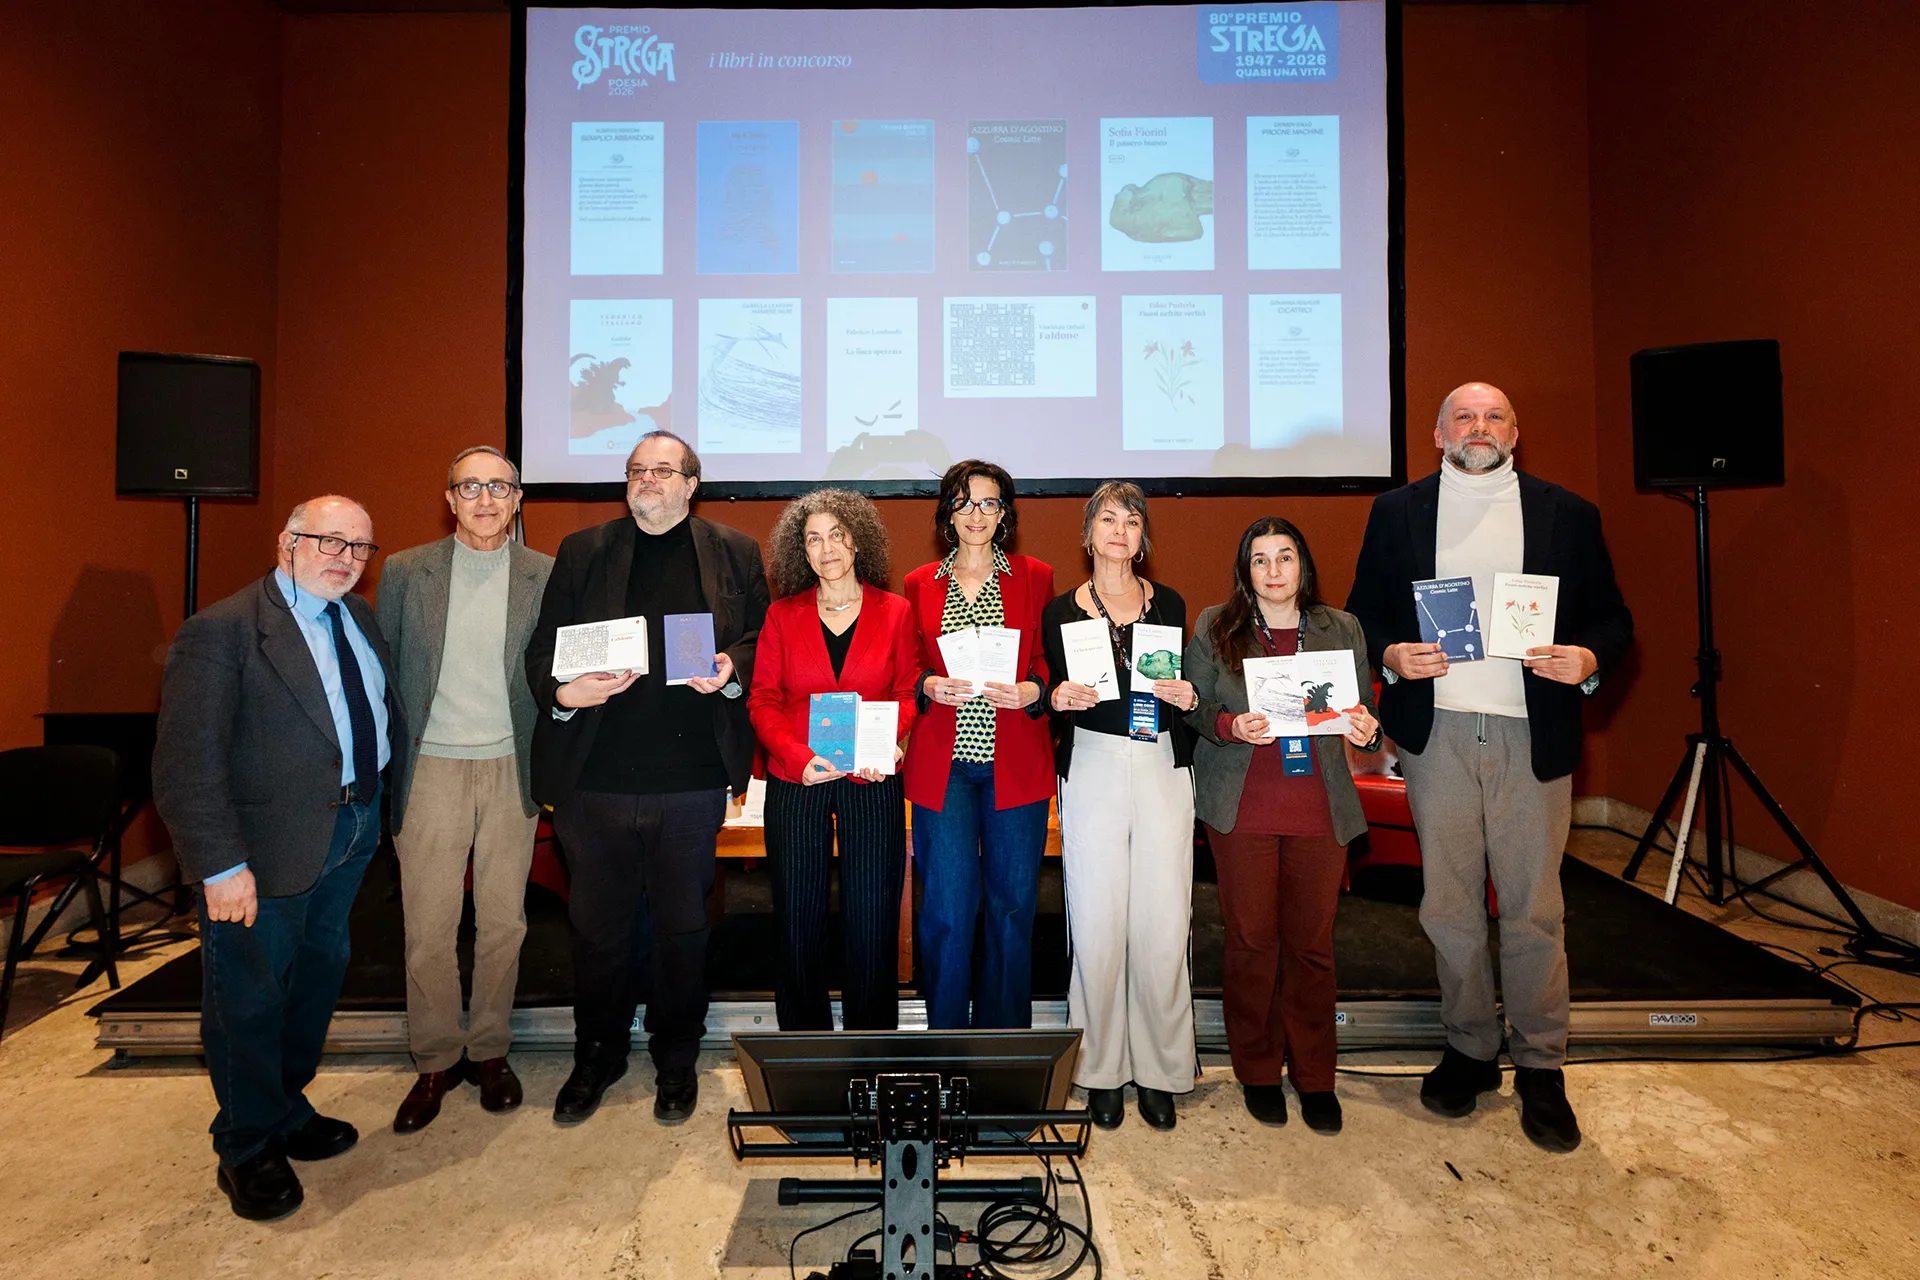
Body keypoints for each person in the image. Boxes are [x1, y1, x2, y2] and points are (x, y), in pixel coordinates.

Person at [1346, 382, 1633, 1154]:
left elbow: (1612, 618)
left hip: (1528, 735)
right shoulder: (1397, 511)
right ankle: (1470, 1046)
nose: (1479, 428)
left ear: (1517, 430)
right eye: (1464, 418)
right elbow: (1362, 611)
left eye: (1494, 416)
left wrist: (1587, 659)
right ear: (1438, 435)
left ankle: (1542, 1064)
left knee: (1534, 908)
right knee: (1448, 904)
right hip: (1434, 734)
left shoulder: (1567, 514)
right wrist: (1390, 656)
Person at [153, 496, 403, 1221]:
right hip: (260, 854)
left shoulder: (355, 616)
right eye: (329, 541)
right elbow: (184, 765)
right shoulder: (221, 632)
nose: (346, 557)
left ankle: (286, 1108)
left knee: (314, 986)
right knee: (247, 999)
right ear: (287, 540)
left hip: (351, 833)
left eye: (360, 547)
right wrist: (219, 865)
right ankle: (244, 1142)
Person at [525, 430, 768, 1126]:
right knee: (597, 931)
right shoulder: (584, 550)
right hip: (594, 780)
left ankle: (675, 1057)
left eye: (664, 471)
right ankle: (595, 1054)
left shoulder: (735, 551)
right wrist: (566, 695)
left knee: (682, 928)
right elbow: (545, 647)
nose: (648, 481)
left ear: (692, 484)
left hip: (691, 781)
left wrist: (730, 671)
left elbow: (757, 638)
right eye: (638, 470)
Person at [376, 446, 553, 1133]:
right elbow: (389, 675)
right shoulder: (403, 571)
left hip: (512, 764)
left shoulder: (546, 573)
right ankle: (434, 1058)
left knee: (505, 921)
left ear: (517, 500)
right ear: (449, 498)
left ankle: (489, 1050)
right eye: (471, 486)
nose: (486, 498)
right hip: (431, 769)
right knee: (429, 926)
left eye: (500, 487)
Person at [1184, 517, 1381, 1135]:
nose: (1274, 571)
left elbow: (1361, 705)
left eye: (1285, 558)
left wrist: (1365, 726)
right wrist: (1228, 726)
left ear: (1303, 565)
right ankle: (1258, 1069)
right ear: (1245, 571)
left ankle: (1316, 1074)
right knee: (1251, 944)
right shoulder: (1216, 626)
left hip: (1318, 808)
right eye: (1261, 560)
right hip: (1242, 806)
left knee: (1312, 947)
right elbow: (1194, 705)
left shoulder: (1340, 626)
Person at [1040, 482, 1199, 1132]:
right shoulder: (1059, 613)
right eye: (1107, 519)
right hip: (1094, 765)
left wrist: (1186, 696)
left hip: (1161, 758)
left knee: (1164, 923)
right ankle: (1101, 1070)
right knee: (1098, 923)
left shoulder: (1171, 604)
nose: (1119, 530)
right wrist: (1056, 699)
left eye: (1131, 521)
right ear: (1088, 533)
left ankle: (1161, 1071)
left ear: (1142, 538)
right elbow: (1051, 690)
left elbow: (1179, 687)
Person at [748, 489, 920, 1031]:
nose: (827, 549)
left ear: (858, 541)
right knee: (799, 923)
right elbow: (763, 700)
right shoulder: (782, 616)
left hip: (871, 778)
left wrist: (890, 745)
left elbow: (908, 691)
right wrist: (798, 758)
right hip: (797, 780)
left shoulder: (895, 612)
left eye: (838, 535)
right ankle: (805, 1055)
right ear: (800, 550)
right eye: (813, 538)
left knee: (871, 922)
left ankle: (871, 1054)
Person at [901, 460, 1054, 1031]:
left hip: (1014, 763)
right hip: (946, 770)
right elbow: (906, 666)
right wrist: (926, 684)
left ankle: (1004, 1047)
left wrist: (1032, 688)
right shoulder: (920, 584)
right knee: (945, 912)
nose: (977, 515)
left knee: (1011, 911)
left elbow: (1046, 662)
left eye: (990, 504)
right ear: (948, 513)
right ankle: (945, 1043)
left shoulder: (1034, 576)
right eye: (965, 503)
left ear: (1005, 514)